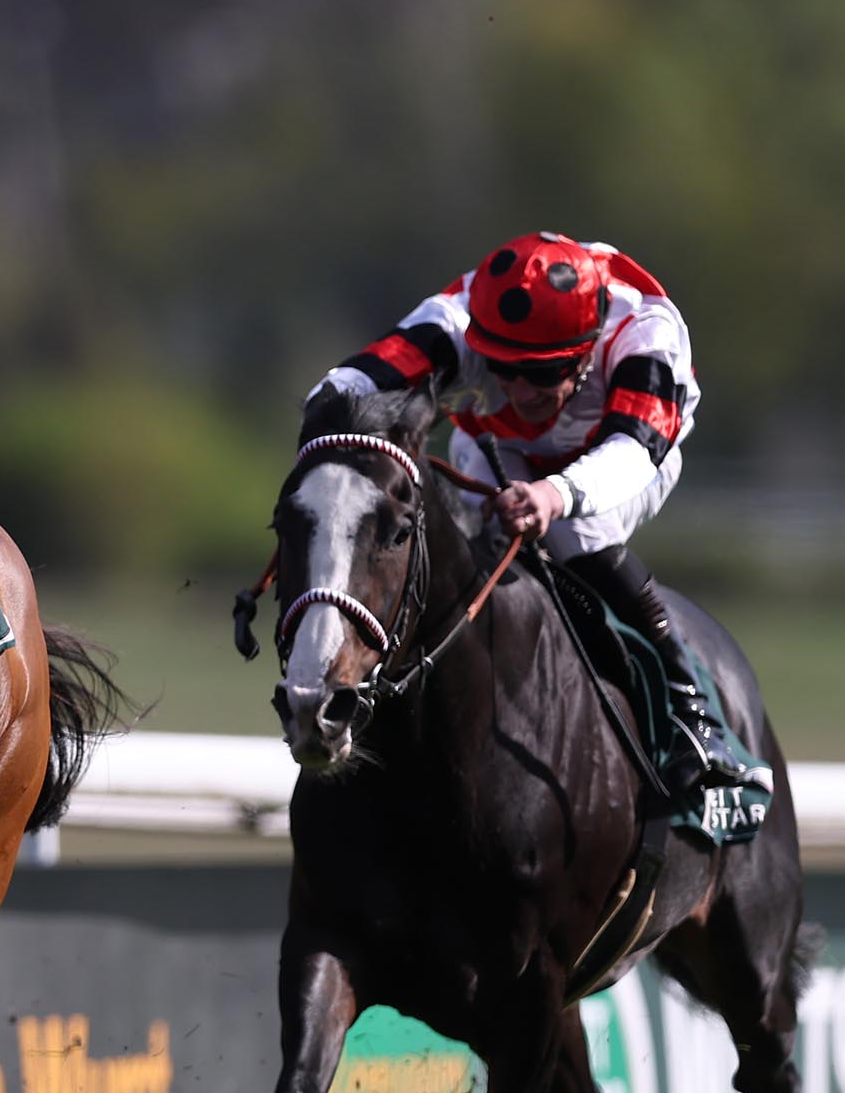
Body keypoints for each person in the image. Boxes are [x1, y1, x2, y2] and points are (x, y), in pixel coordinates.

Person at [311, 230, 751, 795]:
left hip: (628, 454)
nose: (520, 388)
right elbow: (360, 377)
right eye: (502, 368)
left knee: (573, 534)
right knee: (465, 542)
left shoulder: (647, 333)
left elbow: (634, 450)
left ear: (589, 345)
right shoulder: (459, 317)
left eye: (543, 373)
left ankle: (689, 704)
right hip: (506, 447)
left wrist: (554, 494)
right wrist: (322, 415)